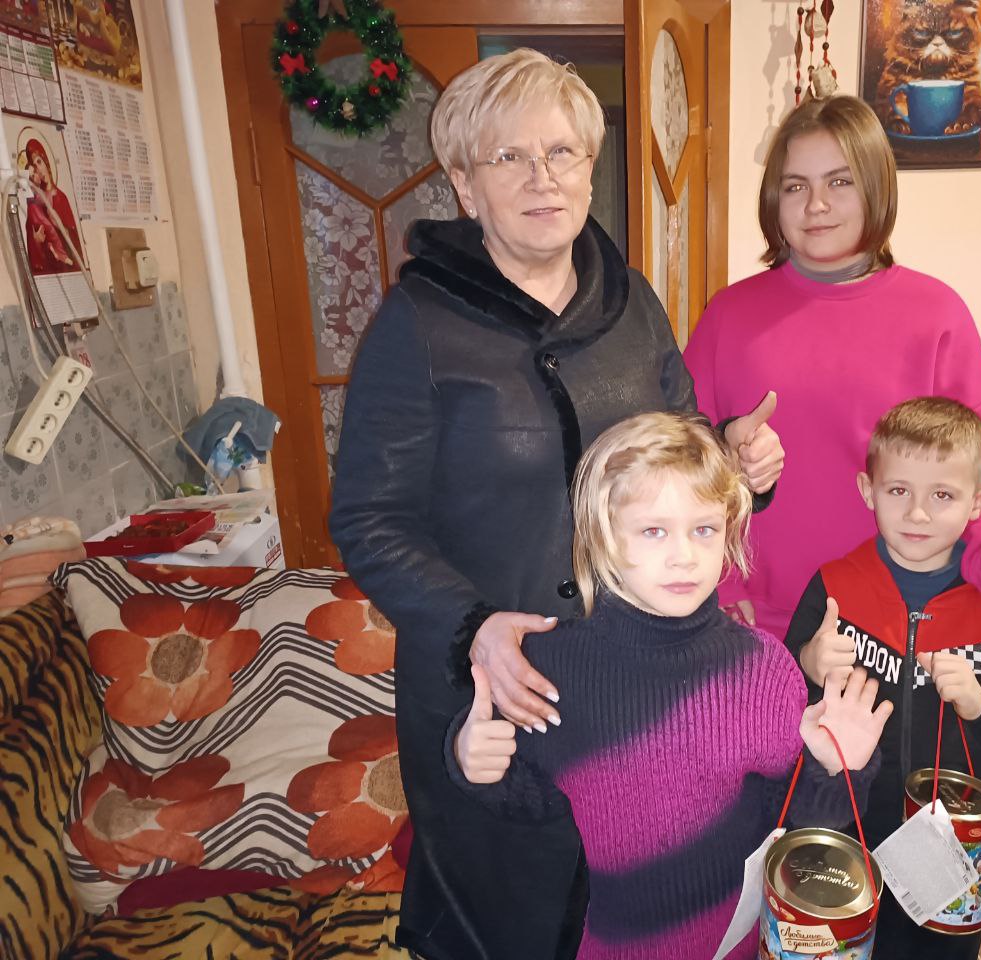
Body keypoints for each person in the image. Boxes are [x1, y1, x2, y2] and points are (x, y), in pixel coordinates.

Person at [328, 49, 784, 960]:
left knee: (651, 912)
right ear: (465, 186)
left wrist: (738, 465)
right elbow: (369, 520)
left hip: (635, 680)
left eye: (563, 152)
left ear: (589, 167)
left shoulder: (632, 304)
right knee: (511, 917)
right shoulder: (417, 324)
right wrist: (472, 627)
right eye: (510, 157)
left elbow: (682, 452)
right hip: (492, 687)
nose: (543, 177)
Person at [452, 410, 892, 960]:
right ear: (602, 535)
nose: (684, 556)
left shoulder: (762, 670)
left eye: (703, 529)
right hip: (612, 947)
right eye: (654, 530)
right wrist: (476, 762)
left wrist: (836, 767)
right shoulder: (550, 668)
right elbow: (531, 803)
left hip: (736, 946)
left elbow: (800, 822)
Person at [682, 95, 981, 643]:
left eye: (840, 181)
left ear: (876, 187)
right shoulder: (728, 315)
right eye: (796, 186)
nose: (816, 205)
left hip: (895, 626)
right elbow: (677, 463)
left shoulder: (936, 315)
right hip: (756, 623)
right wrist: (720, 581)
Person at [784, 397, 981, 960]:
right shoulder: (835, 588)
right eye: (898, 490)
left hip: (949, 854)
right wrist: (806, 663)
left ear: (978, 503)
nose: (917, 514)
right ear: (868, 491)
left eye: (942, 496)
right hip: (847, 834)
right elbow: (774, 711)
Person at [22, 136, 82, 276]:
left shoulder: (60, 198)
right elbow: (32, 233)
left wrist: (62, 228)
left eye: (39, 162)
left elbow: (74, 241)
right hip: (49, 270)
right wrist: (36, 240)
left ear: (46, 161)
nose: (38, 169)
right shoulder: (37, 200)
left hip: (67, 269)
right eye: (34, 166)